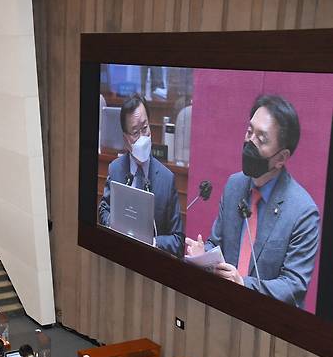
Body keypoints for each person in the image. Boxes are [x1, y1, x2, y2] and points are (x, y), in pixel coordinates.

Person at [185, 95, 319, 308]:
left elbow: (294, 285)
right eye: (249, 132)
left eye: (262, 139)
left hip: (269, 327)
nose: (250, 143)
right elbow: (216, 243)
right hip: (222, 309)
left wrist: (243, 284)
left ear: (281, 158)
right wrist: (203, 255)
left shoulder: (303, 212)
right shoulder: (234, 185)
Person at [97, 94, 184, 257]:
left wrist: (153, 242)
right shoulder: (115, 169)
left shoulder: (166, 179)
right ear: (125, 139)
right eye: (135, 132)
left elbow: (178, 241)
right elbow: (103, 210)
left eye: (145, 128)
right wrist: (113, 224)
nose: (143, 137)